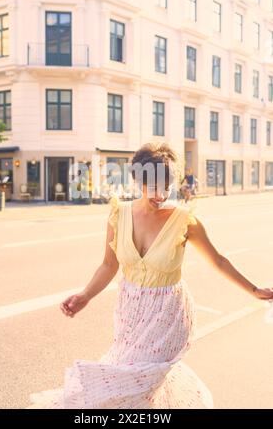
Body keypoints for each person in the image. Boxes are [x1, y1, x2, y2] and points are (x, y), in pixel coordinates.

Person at [27, 142, 273, 409]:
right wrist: (85, 295)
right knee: (135, 387)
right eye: (154, 186)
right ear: (138, 181)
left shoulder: (184, 220)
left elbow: (218, 261)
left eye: (167, 186)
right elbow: (109, 265)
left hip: (169, 314)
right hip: (130, 313)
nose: (162, 193)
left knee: (138, 383)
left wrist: (253, 290)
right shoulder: (118, 214)